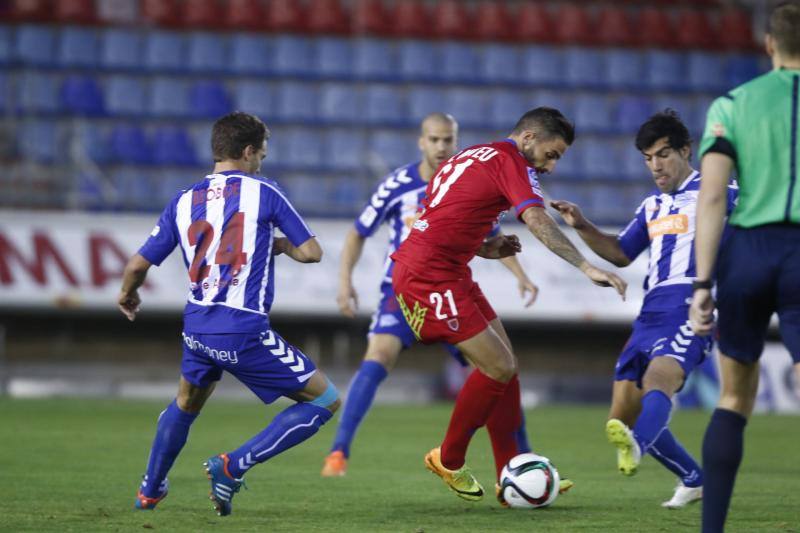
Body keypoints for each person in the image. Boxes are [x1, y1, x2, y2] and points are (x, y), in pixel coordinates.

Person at [391, 107, 627, 503]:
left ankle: (510, 472)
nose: (550, 166)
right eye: (552, 154)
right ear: (530, 138)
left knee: (507, 367)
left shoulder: (471, 154)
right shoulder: (510, 161)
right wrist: (586, 266)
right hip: (427, 276)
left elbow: (438, 216)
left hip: (448, 269)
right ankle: (448, 459)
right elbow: (536, 219)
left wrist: (484, 247)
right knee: (497, 367)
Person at [119, 112, 340, 517]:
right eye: (262, 153)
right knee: (324, 399)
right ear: (248, 151)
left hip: (197, 326)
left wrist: (127, 295)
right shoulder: (265, 191)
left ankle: (149, 490)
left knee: (186, 402)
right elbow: (311, 252)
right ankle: (233, 465)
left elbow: (136, 266)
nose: (263, 161)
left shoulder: (182, 200)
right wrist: (280, 246)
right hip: (242, 329)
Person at [321, 113, 539, 477]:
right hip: (401, 289)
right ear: (421, 142)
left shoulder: (465, 179)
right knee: (378, 356)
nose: (441, 147)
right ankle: (338, 452)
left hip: (448, 288)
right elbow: (358, 232)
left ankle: (524, 460)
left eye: (448, 140)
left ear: (455, 142)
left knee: (499, 369)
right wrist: (345, 282)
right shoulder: (397, 185)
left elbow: (490, 239)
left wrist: (521, 275)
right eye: (434, 139)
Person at [551, 110, 737, 508]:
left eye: (663, 154)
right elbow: (620, 253)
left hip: (695, 298)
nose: (655, 165)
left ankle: (638, 444)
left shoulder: (719, 191)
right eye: (648, 158)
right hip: (652, 308)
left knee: (659, 378)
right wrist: (581, 225)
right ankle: (693, 477)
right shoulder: (652, 206)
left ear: (686, 150)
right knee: (621, 414)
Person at [689, 2, 800, 531]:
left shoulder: (732, 103)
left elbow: (711, 198)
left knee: (734, 396)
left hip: (748, 254)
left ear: (768, 44)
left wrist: (702, 283)